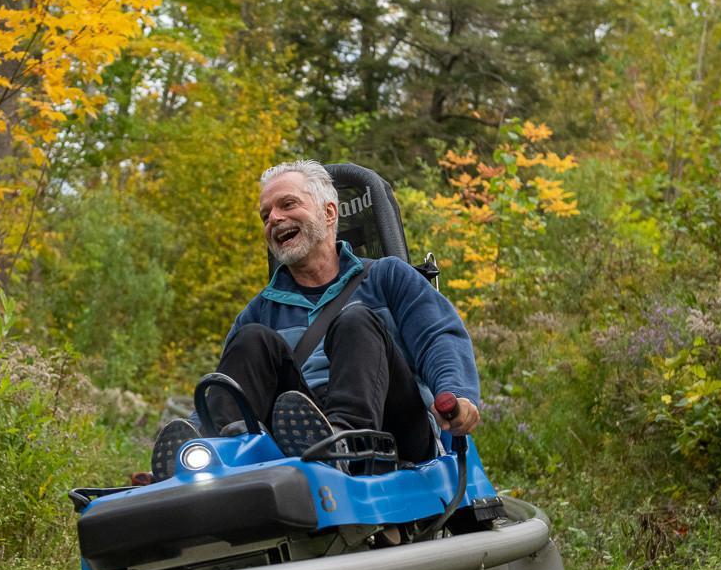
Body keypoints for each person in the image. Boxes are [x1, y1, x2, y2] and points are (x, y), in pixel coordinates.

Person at [152, 160, 482, 478]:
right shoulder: (260, 311)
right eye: (266, 215)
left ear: (329, 213)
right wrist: (191, 444)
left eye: (287, 204)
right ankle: (216, 453)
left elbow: (438, 337)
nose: (274, 219)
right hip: (300, 432)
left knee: (355, 320)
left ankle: (342, 444)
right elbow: (230, 389)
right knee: (251, 339)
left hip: (395, 433)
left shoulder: (388, 277)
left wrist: (457, 393)